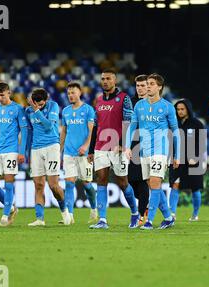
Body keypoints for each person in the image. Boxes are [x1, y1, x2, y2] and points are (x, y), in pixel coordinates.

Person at [125, 73, 180, 230]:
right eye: (147, 83)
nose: (148, 86)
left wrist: (178, 155)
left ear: (159, 87)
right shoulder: (139, 106)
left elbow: (175, 132)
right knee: (153, 186)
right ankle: (168, 217)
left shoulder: (167, 107)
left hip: (160, 151)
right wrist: (128, 146)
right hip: (144, 152)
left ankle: (149, 221)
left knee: (155, 183)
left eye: (151, 84)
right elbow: (132, 127)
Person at [87, 69, 139, 229]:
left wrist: (123, 143)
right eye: (102, 79)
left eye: (108, 78)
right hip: (101, 147)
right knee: (101, 179)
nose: (104, 81)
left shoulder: (124, 99)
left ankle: (134, 213)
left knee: (122, 182)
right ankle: (102, 220)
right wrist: (90, 149)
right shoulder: (99, 100)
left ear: (114, 80)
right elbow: (95, 126)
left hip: (118, 147)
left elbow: (128, 123)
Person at [25, 88, 71, 226]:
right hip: (36, 149)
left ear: (46, 100)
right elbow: (29, 131)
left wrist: (36, 110)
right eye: (36, 104)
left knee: (53, 185)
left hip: (52, 147)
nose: (38, 106)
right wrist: (27, 151)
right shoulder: (28, 111)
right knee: (38, 184)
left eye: (41, 104)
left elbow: (48, 126)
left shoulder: (53, 106)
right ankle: (40, 219)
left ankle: (65, 212)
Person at [0, 82, 28, 227]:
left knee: (9, 182)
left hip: (11, 150)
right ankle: (11, 207)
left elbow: (24, 131)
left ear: (9, 93)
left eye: (2, 95)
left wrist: (22, 152)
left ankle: (5, 215)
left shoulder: (17, 108)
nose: (0, 98)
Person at [60, 81, 98, 224]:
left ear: (80, 93)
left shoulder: (88, 110)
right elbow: (64, 131)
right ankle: (69, 215)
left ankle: (94, 209)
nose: (70, 95)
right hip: (69, 152)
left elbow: (91, 130)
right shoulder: (65, 111)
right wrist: (59, 149)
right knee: (69, 183)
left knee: (87, 184)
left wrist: (86, 146)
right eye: (69, 93)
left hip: (84, 154)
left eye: (73, 92)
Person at [168, 98, 206, 221]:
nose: (179, 111)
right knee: (174, 185)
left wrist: (196, 157)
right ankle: (172, 214)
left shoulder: (197, 124)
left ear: (188, 109)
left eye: (182, 109)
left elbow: (202, 143)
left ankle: (195, 215)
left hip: (193, 160)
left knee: (195, 188)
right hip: (177, 160)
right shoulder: (172, 124)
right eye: (177, 109)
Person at [128, 74, 150, 223]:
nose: (140, 88)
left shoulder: (154, 103)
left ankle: (142, 214)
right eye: (138, 86)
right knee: (131, 180)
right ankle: (148, 206)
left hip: (149, 146)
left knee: (143, 181)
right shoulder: (130, 103)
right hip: (132, 145)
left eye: (143, 85)